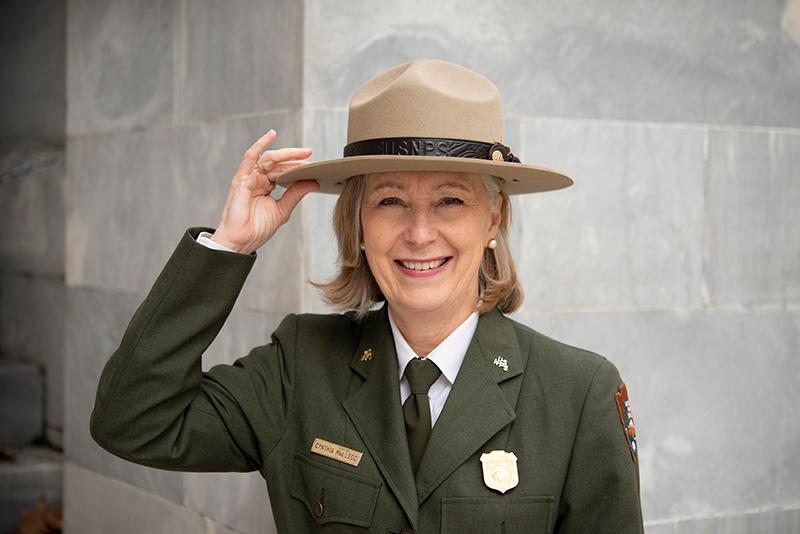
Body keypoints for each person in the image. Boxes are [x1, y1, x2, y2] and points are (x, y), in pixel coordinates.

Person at [90, 59, 643, 533]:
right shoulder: (301, 364)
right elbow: (135, 422)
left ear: (493, 217)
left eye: (450, 200)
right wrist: (228, 247)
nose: (420, 233)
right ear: (356, 222)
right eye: (390, 201)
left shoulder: (578, 392)